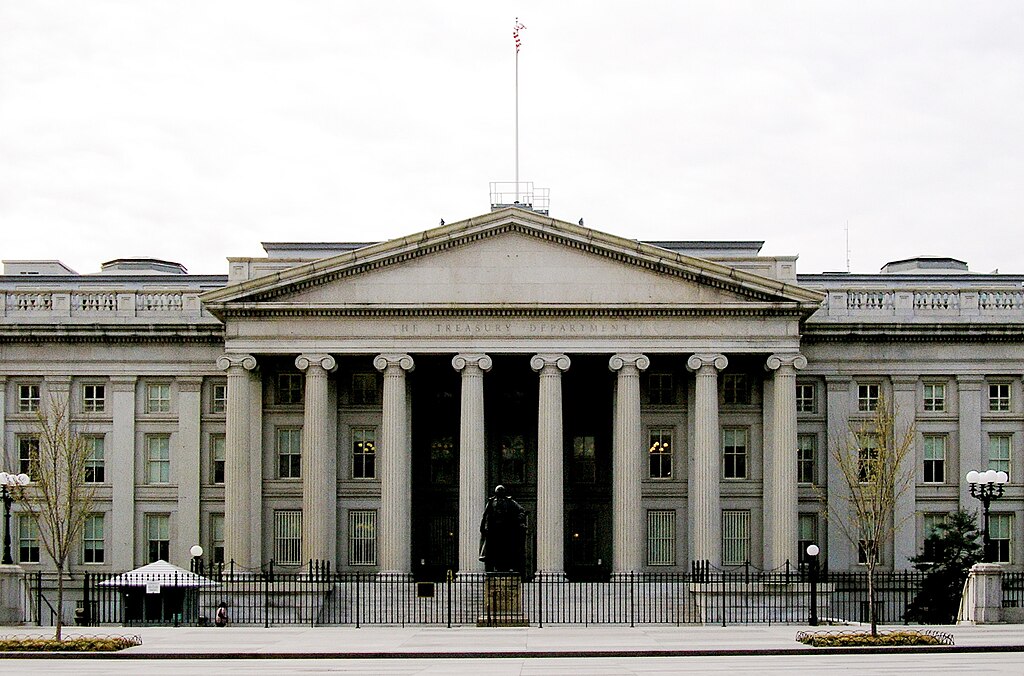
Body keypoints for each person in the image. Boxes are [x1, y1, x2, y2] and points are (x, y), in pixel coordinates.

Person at [479, 485, 527, 573]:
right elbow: (485, 515)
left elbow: (521, 510)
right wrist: (483, 527)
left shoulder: (510, 502)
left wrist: (519, 518)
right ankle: (495, 566)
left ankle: (506, 567)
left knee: (506, 550)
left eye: (501, 492)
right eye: (498, 492)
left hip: (506, 530)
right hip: (494, 531)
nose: (500, 494)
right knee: (494, 550)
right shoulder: (491, 502)